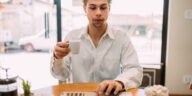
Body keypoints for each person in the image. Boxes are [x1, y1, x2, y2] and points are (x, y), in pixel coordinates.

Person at [50, 0, 143, 95]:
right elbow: (61, 75)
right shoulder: (72, 37)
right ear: (84, 9)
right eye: (93, 8)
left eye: (103, 8)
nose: (98, 13)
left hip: (109, 93)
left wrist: (119, 82)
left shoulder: (121, 38)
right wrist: (58, 58)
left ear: (109, 8)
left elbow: (134, 69)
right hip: (81, 94)